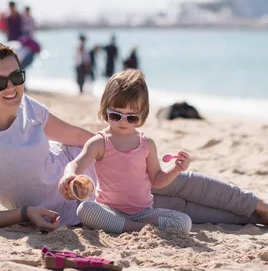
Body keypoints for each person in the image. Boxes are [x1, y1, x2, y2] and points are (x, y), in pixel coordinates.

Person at [0, 39, 268, 232]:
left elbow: (77, 136)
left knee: (185, 182)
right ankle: (262, 214)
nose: (12, 88)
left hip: (108, 170)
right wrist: (26, 213)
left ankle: (266, 205)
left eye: (16, 77)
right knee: (191, 211)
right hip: (101, 207)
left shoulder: (29, 106)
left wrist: (112, 147)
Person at [59, 69, 192, 233]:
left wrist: (177, 168)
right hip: (109, 211)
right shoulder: (100, 142)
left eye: (131, 117)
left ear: (142, 115)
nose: (123, 121)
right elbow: (76, 163)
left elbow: (157, 179)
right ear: (105, 108)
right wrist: (68, 176)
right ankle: (140, 229)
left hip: (143, 213)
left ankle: (129, 227)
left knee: (184, 222)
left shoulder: (147, 144)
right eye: (116, 115)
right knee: (85, 210)